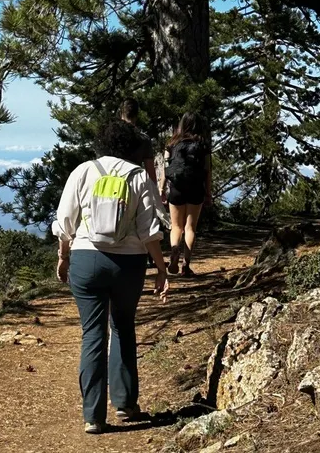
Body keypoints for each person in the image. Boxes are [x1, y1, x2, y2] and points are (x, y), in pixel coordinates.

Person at [53, 120, 169, 435]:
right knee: (122, 327)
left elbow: (65, 223)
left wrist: (64, 257)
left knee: (92, 335)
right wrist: (160, 268)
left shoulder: (83, 172)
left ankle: (93, 416)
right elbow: (150, 231)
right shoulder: (138, 177)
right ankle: (125, 403)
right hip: (128, 265)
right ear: (130, 146)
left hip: (86, 260)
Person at [162, 113, 212, 277]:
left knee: (176, 226)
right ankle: (186, 265)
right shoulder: (203, 145)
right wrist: (208, 193)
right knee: (190, 228)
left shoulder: (171, 143)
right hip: (196, 187)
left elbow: (165, 168)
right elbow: (207, 171)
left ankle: (175, 249)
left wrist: (162, 190)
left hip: (176, 186)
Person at [118, 99, 171, 231]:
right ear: (137, 115)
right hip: (135, 185)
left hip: (113, 183)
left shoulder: (114, 136)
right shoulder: (143, 139)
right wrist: (158, 191)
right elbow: (150, 170)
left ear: (121, 114)